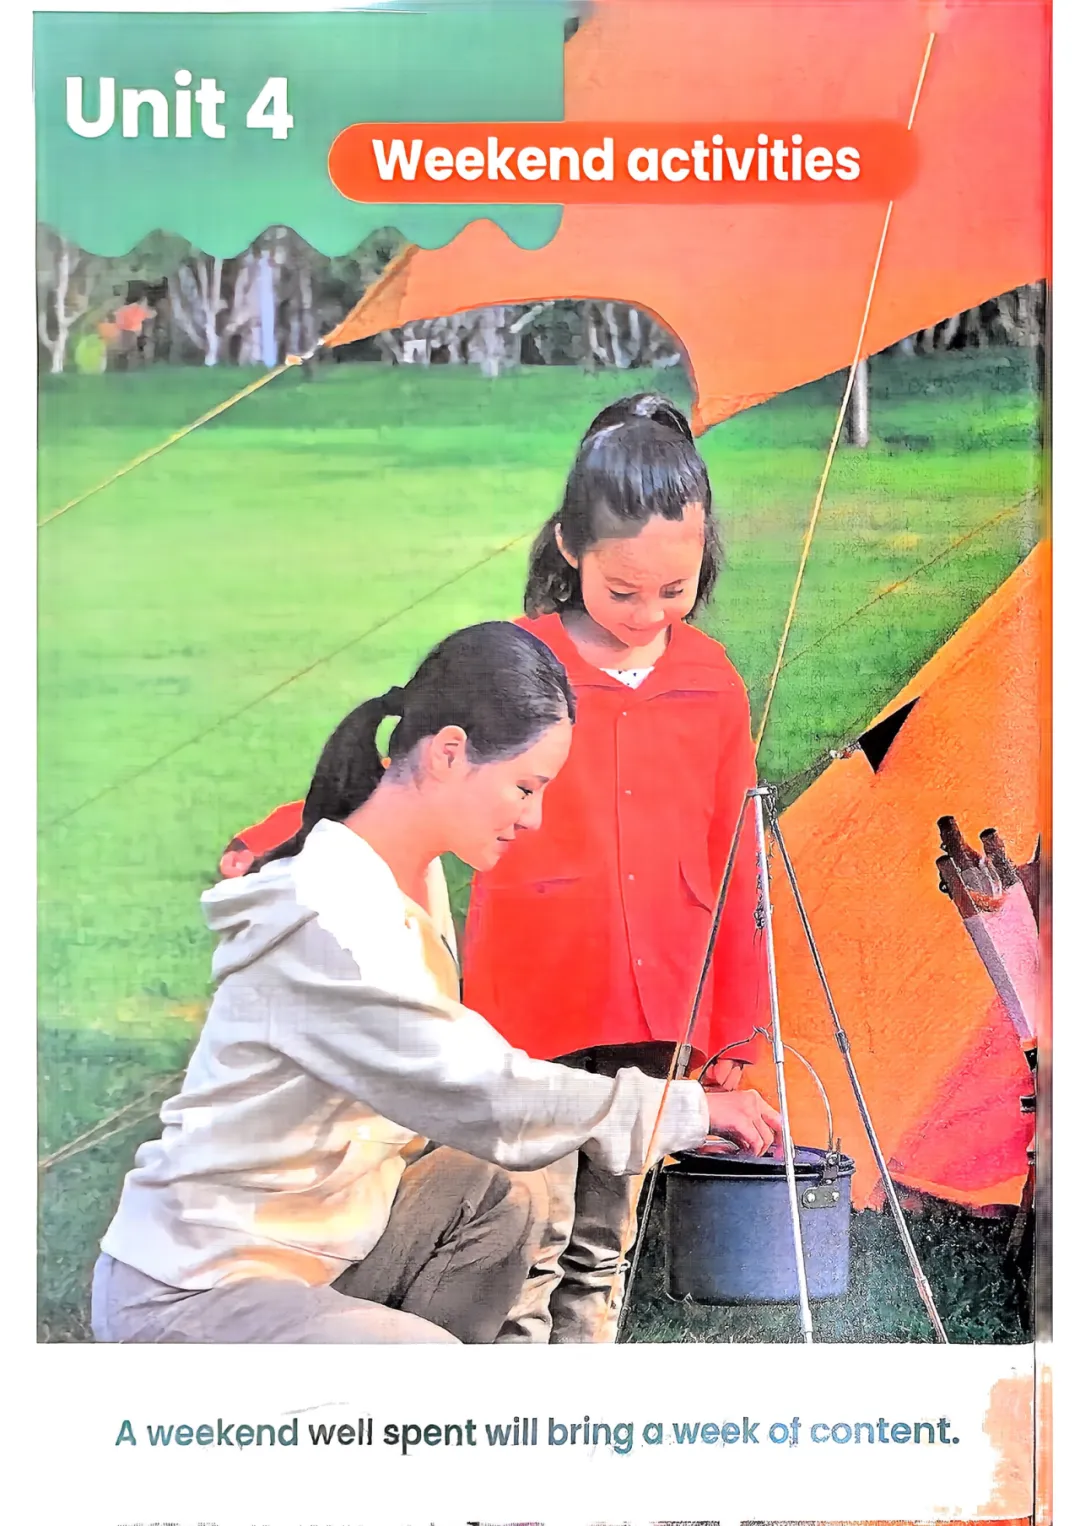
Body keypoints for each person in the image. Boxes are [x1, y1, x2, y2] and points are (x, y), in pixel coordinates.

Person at [92, 621, 780, 1345]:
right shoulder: (330, 917)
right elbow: (483, 1094)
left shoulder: (408, 878)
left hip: (316, 1256)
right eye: (525, 787)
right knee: (430, 1367)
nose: (534, 817)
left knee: (498, 1190)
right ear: (449, 753)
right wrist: (690, 1109)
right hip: (197, 1284)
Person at [463, 394, 770, 1343]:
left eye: (674, 590)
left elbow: (737, 859)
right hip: (532, 999)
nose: (648, 615)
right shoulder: (517, 661)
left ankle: (583, 1398)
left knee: (604, 1241)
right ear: (569, 548)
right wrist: (292, 831)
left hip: (660, 1001)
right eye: (622, 590)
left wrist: (735, 1020)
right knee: (526, 1230)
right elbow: (417, 772)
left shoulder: (712, 680)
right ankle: (517, 1417)